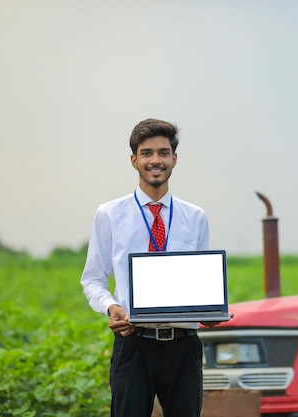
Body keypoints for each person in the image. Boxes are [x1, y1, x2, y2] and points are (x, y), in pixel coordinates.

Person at [81, 118, 214, 417]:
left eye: (163, 153)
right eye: (147, 153)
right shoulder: (109, 214)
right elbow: (93, 279)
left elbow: (201, 280)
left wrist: (208, 310)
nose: (156, 160)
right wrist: (110, 307)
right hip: (134, 344)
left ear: (174, 159)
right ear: (134, 160)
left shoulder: (196, 217)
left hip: (184, 346)